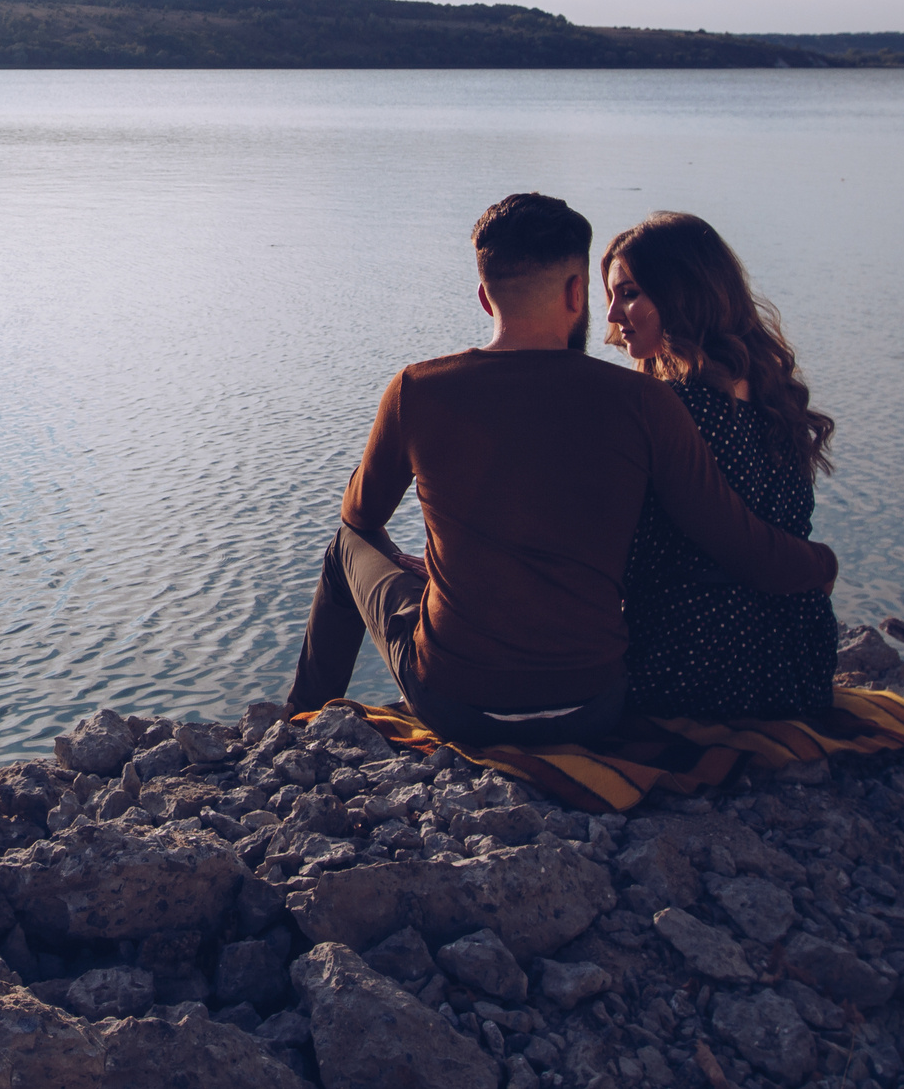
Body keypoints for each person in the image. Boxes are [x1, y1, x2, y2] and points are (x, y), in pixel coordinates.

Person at [280, 192, 837, 748]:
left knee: (346, 544)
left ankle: (295, 726)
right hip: (593, 706)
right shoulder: (646, 401)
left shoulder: (417, 388)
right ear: (577, 292)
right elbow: (733, 538)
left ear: (483, 297)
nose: (613, 313)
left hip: (456, 705)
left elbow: (360, 514)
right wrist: (823, 563)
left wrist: (452, 559)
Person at [603, 212, 840, 719]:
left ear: (681, 294)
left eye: (628, 294)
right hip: (798, 663)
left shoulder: (670, 408)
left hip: (698, 663)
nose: (612, 317)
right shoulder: (778, 401)